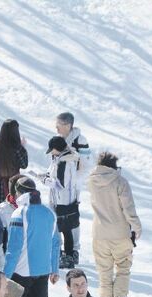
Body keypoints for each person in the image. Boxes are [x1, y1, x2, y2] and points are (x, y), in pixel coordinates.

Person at [4, 177, 60, 297]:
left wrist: (5, 276)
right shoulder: (49, 212)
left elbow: (13, 250)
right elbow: (56, 242)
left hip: (21, 271)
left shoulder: (19, 213)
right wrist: (54, 269)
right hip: (43, 271)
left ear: (17, 193)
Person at [87, 152, 142, 297]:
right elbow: (128, 209)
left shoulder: (91, 181)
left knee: (104, 270)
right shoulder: (120, 182)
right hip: (120, 233)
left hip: (99, 233)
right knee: (123, 266)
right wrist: (137, 227)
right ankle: (119, 295)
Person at [51, 112, 91, 267]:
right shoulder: (57, 139)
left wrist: (73, 182)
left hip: (72, 189)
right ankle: (59, 249)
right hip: (58, 188)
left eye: (59, 124)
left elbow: (86, 166)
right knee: (58, 216)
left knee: (71, 217)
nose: (56, 127)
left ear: (68, 125)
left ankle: (73, 250)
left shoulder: (80, 140)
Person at [0, 119, 28, 206]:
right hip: (14, 183)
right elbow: (24, 165)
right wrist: (23, 148)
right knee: (14, 209)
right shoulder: (18, 147)